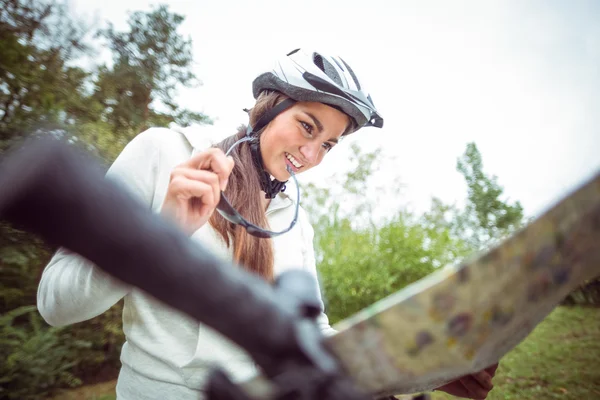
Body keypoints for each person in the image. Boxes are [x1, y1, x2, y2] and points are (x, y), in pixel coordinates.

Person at [36, 48, 497, 400]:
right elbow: (55, 303)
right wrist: (159, 233)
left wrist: (423, 365)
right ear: (269, 107)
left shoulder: (295, 215)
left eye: (330, 145)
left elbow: (308, 334)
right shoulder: (165, 152)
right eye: (308, 126)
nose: (312, 155)